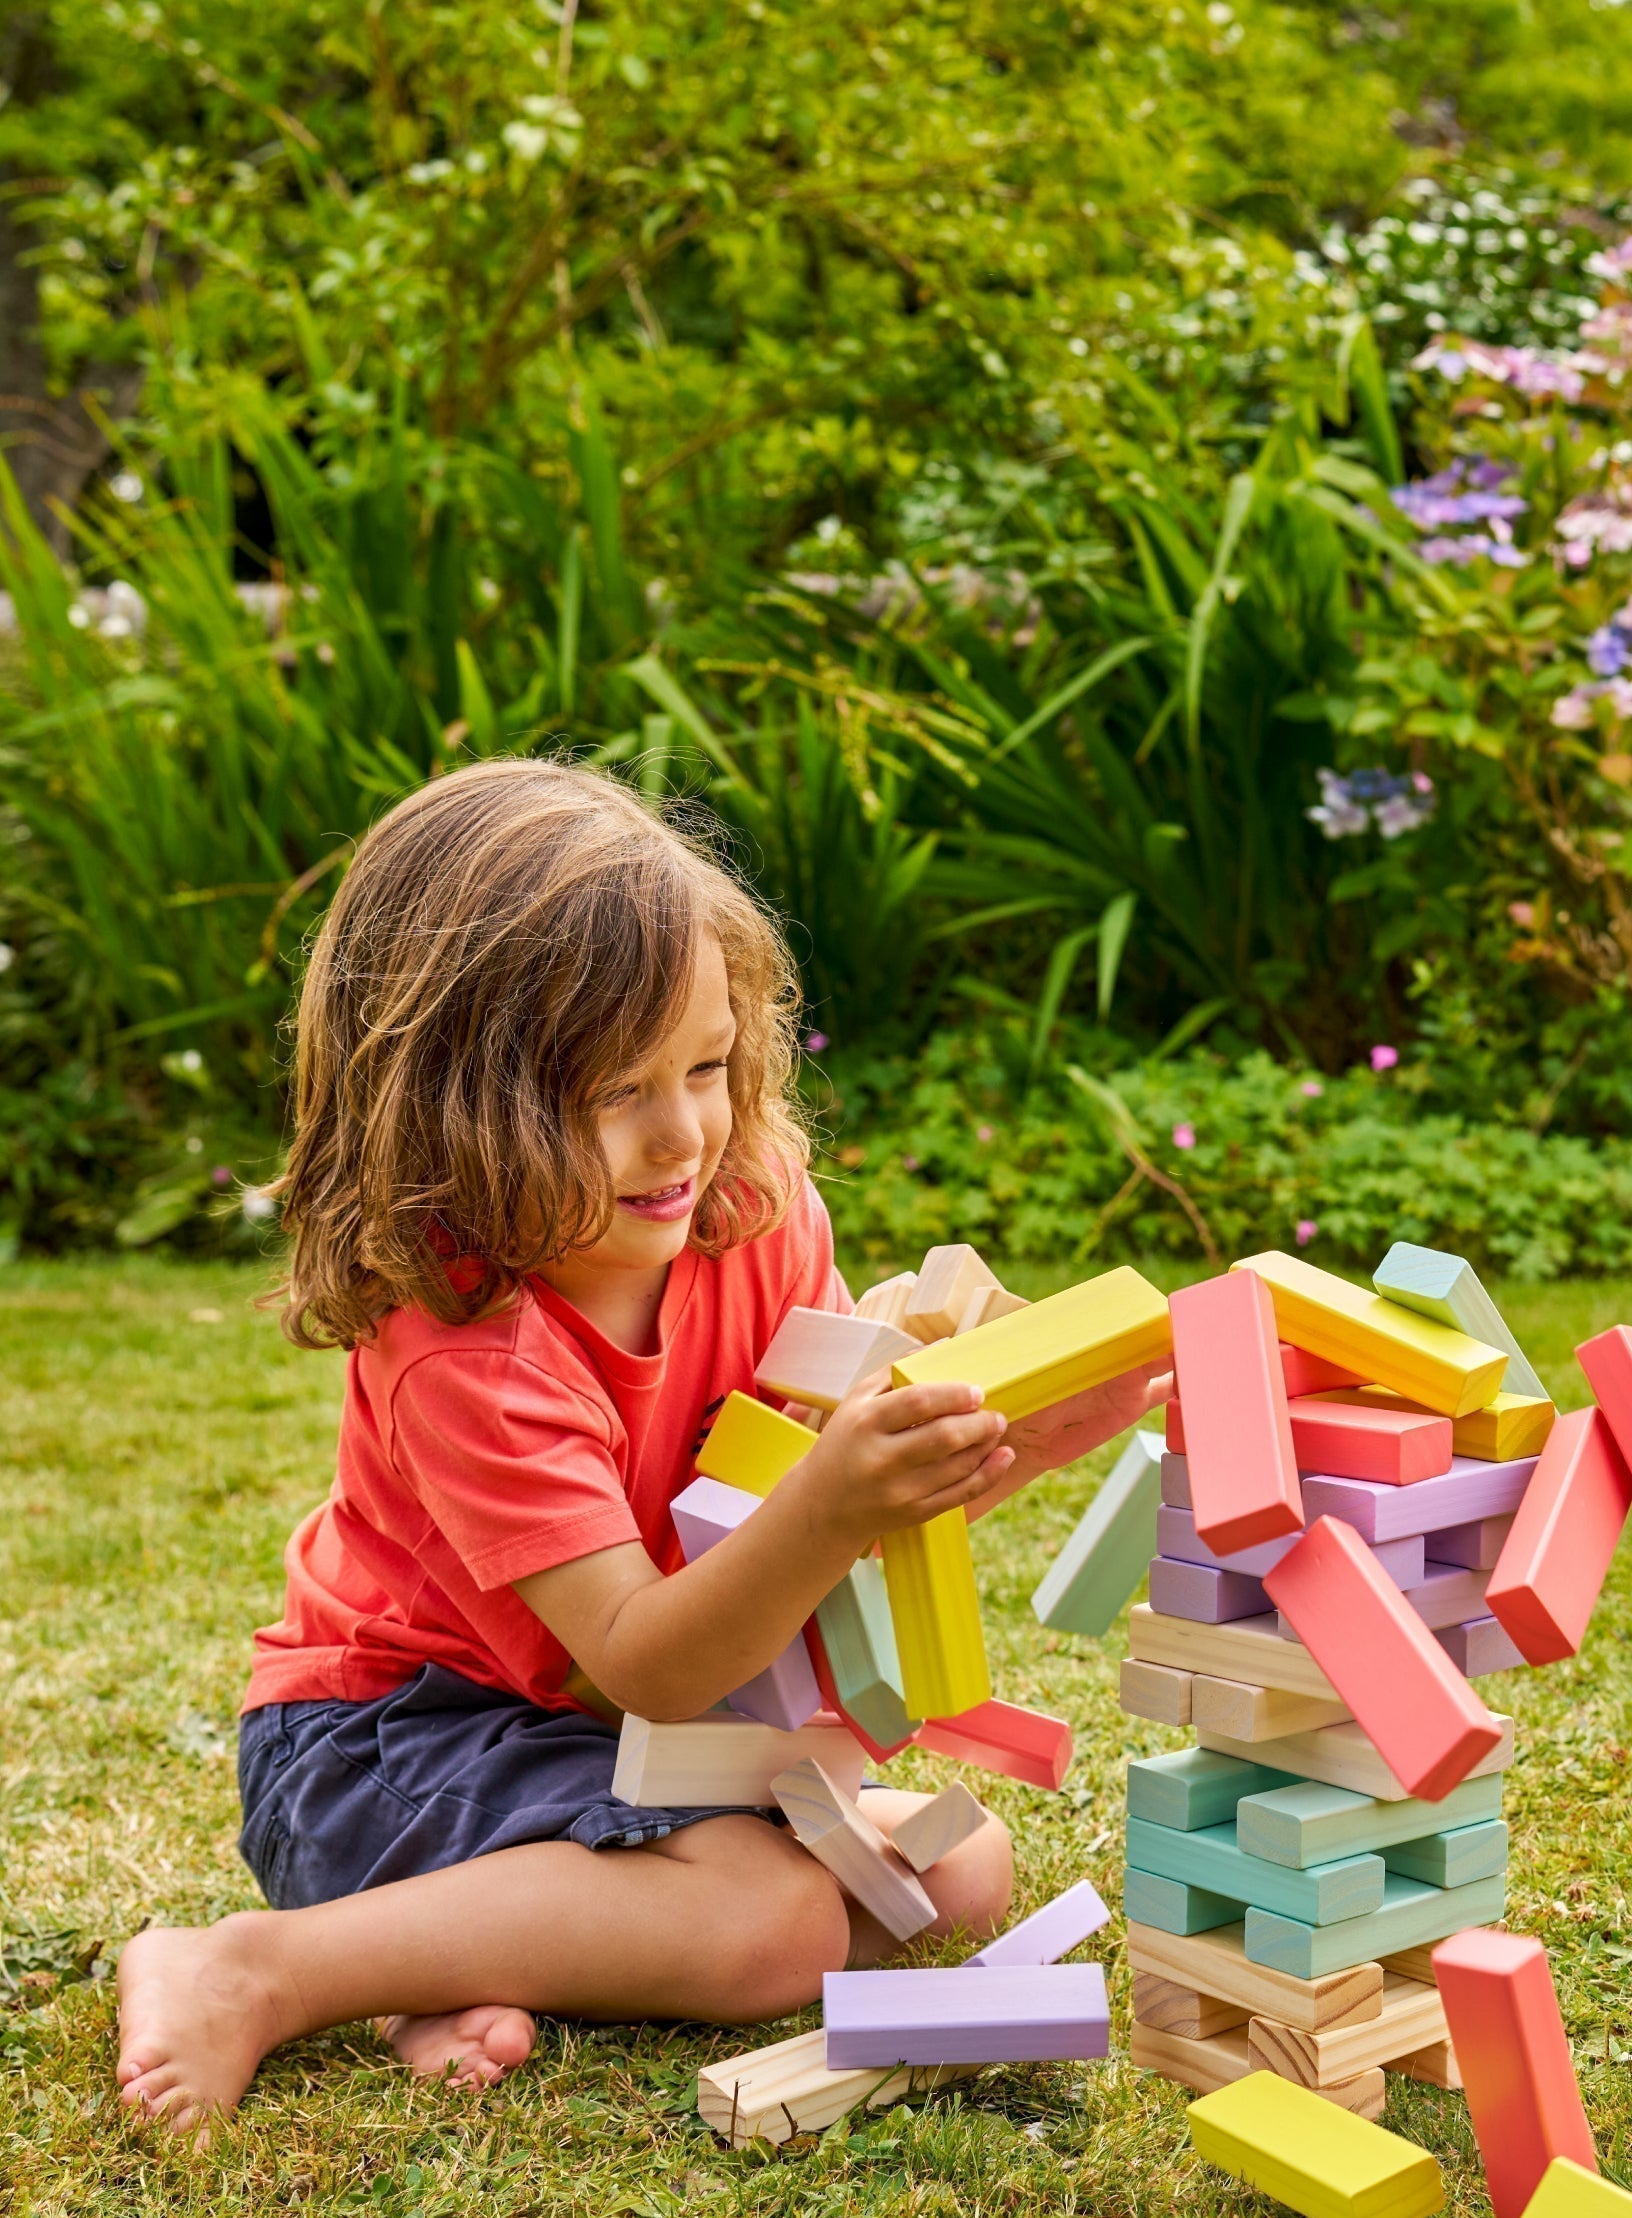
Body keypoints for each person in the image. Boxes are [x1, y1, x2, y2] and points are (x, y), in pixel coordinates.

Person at [116, 759, 1162, 2131]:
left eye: (709, 1066)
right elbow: (652, 1658)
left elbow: (803, 1483)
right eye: (617, 1093)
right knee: (780, 1928)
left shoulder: (752, 1202)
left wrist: (988, 1438)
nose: (683, 1134)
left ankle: (483, 1959)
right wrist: (846, 1496)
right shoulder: (468, 1341)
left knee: (957, 1871)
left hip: (616, 1738)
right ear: (457, 1109)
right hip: (393, 1740)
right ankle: (258, 1967)